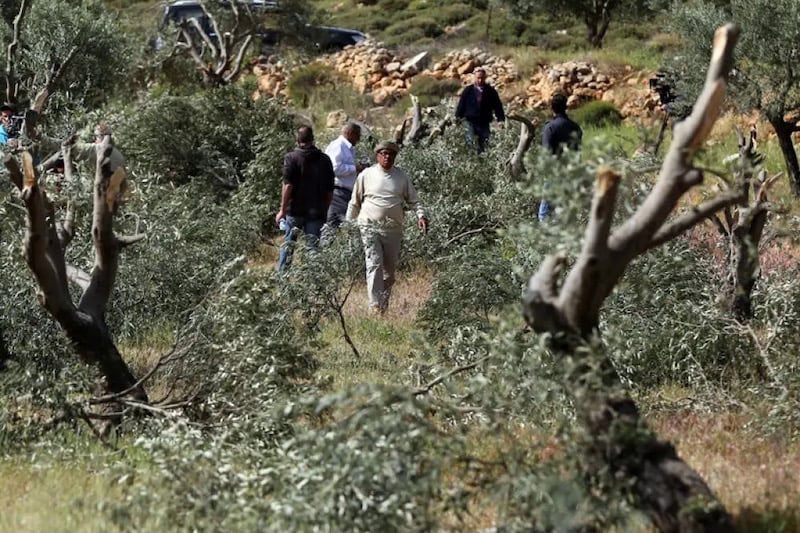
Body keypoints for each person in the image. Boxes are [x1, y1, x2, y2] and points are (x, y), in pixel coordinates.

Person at [346, 141, 428, 315]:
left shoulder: (401, 177)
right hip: (369, 226)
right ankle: (374, 306)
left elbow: (414, 201)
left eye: (391, 154)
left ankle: (383, 306)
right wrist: (349, 224)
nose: (387, 157)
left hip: (393, 230)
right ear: (377, 156)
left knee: (389, 272)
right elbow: (355, 202)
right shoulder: (366, 175)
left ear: (395, 157)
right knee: (374, 263)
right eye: (383, 153)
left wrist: (421, 215)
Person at [275, 126, 335, 272]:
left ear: (297, 140)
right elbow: (329, 190)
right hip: (316, 211)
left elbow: (288, 186)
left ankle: (282, 281)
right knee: (313, 249)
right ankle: (314, 282)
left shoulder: (291, 158)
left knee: (288, 247)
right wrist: (325, 210)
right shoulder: (325, 160)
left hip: (295, 210)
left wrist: (282, 210)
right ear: (312, 139)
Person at [538, 93, 582, 221]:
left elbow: (547, 152)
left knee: (545, 212)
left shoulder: (550, 127)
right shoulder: (575, 127)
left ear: (552, 108)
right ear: (565, 107)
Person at [323, 122, 367, 235]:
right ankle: (324, 250)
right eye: (358, 135)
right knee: (333, 226)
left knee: (343, 227)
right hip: (337, 193)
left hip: (345, 193)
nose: (359, 139)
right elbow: (334, 168)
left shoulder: (348, 148)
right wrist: (355, 168)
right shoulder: (338, 145)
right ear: (350, 133)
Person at [455, 67, 505, 153]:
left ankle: (482, 162)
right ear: (474, 77)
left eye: (482, 78)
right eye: (478, 78)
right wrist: (457, 117)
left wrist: (500, 119)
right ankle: (471, 162)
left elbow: (497, 106)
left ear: (485, 78)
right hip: (470, 121)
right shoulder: (468, 90)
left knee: (484, 145)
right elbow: (461, 105)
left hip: (484, 122)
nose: (480, 80)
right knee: (471, 144)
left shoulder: (490, 91)